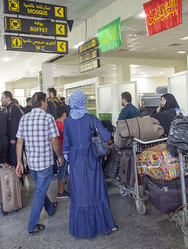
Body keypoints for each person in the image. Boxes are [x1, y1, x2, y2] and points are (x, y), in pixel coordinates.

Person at [63, 90, 118, 238]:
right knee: (96, 190)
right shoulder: (91, 118)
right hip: (91, 158)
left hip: (75, 159)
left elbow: (66, 145)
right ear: (83, 102)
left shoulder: (67, 121)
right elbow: (106, 136)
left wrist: (68, 162)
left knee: (80, 192)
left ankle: (81, 229)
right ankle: (104, 226)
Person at [15, 92, 63, 234]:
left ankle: (50, 208)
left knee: (40, 189)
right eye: (46, 101)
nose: (47, 104)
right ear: (42, 102)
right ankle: (32, 225)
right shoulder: (48, 118)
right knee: (39, 193)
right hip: (45, 163)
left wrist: (19, 162)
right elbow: (54, 141)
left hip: (32, 163)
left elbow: (19, 141)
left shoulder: (24, 118)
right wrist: (59, 156)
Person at [1, 91, 22, 167]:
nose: (1, 100)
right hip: (8, 138)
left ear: (8, 98)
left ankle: (18, 178)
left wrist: (13, 137)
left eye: (3, 98)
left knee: (15, 159)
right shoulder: (5, 109)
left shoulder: (13, 108)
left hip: (14, 139)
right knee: (10, 160)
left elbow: (16, 123)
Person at [55, 105, 70, 199]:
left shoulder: (54, 123)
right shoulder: (63, 125)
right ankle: (60, 192)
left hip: (57, 151)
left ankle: (64, 189)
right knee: (63, 170)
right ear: (64, 114)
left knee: (63, 171)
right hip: (63, 151)